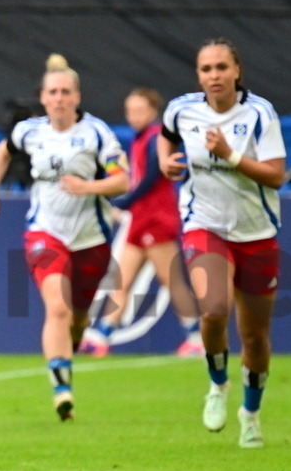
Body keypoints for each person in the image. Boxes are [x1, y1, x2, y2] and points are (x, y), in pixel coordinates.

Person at [0, 54, 129, 422]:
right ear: (43, 98)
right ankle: (62, 391)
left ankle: (70, 347)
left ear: (77, 96)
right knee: (57, 308)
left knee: (77, 318)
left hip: (91, 239)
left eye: (66, 92)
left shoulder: (96, 133)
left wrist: (89, 186)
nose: (59, 98)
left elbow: (122, 179)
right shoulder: (30, 131)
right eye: (52, 92)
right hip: (45, 232)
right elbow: (3, 152)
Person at [158, 37, 286, 449]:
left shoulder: (260, 114)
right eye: (206, 69)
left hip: (256, 232)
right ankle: (217, 384)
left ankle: (250, 413)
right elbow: (166, 135)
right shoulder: (182, 109)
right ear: (199, 75)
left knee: (254, 336)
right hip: (204, 223)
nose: (214, 76)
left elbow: (275, 175)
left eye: (221, 68)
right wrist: (165, 160)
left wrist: (230, 154)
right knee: (213, 309)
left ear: (237, 71)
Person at [80, 88, 203, 358]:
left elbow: (149, 179)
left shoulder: (157, 137)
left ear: (152, 111)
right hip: (140, 220)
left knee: (172, 281)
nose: (133, 116)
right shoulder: (137, 140)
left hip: (158, 220)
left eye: (139, 111)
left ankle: (196, 339)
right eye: (130, 111)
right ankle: (102, 337)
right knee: (121, 280)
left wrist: (121, 204)